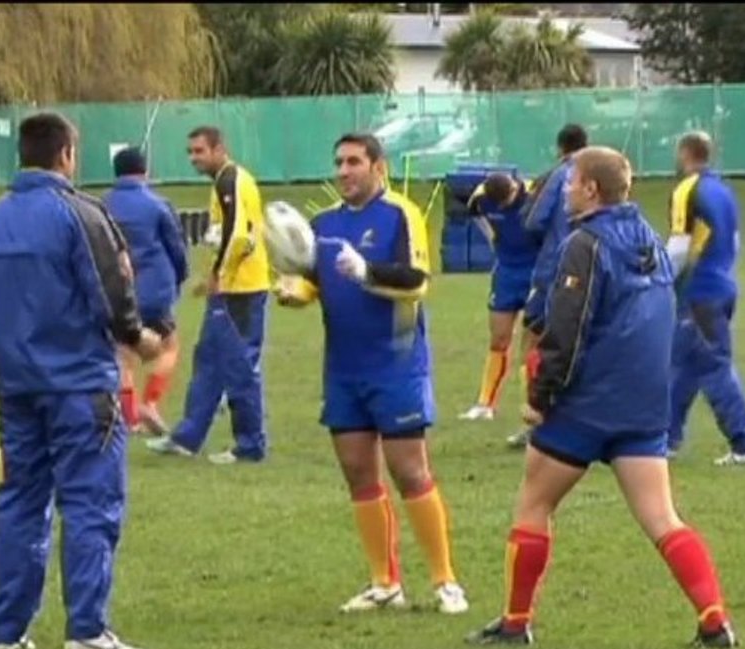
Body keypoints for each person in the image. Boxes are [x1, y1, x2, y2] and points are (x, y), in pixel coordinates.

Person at [466, 147, 737, 649]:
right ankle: (714, 620)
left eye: (571, 183)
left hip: (588, 405)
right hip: (643, 405)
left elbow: (566, 331)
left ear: (591, 189)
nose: (565, 190)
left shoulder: (583, 244)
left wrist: (542, 398)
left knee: (533, 502)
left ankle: (515, 622)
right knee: (662, 517)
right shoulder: (652, 240)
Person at [0, 112, 162, 649]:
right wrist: (139, 338)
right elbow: (111, 292)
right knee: (91, 502)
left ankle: (7, 631)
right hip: (80, 383)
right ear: (67, 155)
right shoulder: (81, 213)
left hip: (17, 387)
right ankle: (87, 629)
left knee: (19, 501)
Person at [275, 133, 468, 615]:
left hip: (397, 363)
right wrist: (295, 289)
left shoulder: (400, 215)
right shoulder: (322, 224)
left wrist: (366, 272)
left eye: (354, 162)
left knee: (410, 470)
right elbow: (313, 279)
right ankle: (385, 582)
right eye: (338, 162)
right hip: (343, 368)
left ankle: (445, 581)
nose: (344, 171)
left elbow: (417, 284)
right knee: (358, 471)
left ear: (377, 167)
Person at [147, 126, 270, 465]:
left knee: (239, 365)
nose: (194, 159)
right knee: (209, 362)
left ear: (219, 149)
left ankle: (251, 445)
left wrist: (220, 275)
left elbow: (238, 234)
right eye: (190, 152)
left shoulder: (231, 180)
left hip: (242, 290)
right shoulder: (224, 182)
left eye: (199, 151)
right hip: (229, 289)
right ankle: (187, 437)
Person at [666, 131, 745, 466]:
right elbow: (733, 241)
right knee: (682, 363)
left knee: (712, 366)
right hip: (722, 284)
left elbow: (679, 246)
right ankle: (666, 439)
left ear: (685, 153)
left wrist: (660, 279)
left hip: (699, 291)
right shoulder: (723, 190)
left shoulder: (687, 189)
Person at [506, 124, 588, 449]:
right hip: (591, 266)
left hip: (555, 267)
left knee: (534, 341)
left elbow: (534, 220)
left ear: (560, 147)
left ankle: (538, 418)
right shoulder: (601, 170)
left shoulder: (559, 175)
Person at [104, 146, 189, 436]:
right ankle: (150, 402)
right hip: (154, 290)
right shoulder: (157, 204)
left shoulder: (102, 205)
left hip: (118, 291)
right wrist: (180, 277)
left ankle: (130, 418)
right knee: (170, 346)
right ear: (145, 170)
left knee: (123, 353)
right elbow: (176, 248)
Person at [458, 172, 540, 422]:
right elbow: (474, 212)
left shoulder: (534, 195)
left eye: (508, 201)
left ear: (515, 189)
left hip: (536, 271)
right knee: (499, 337)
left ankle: (533, 404)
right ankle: (486, 404)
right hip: (506, 272)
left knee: (533, 343)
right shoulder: (481, 198)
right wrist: (492, 237)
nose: (504, 207)